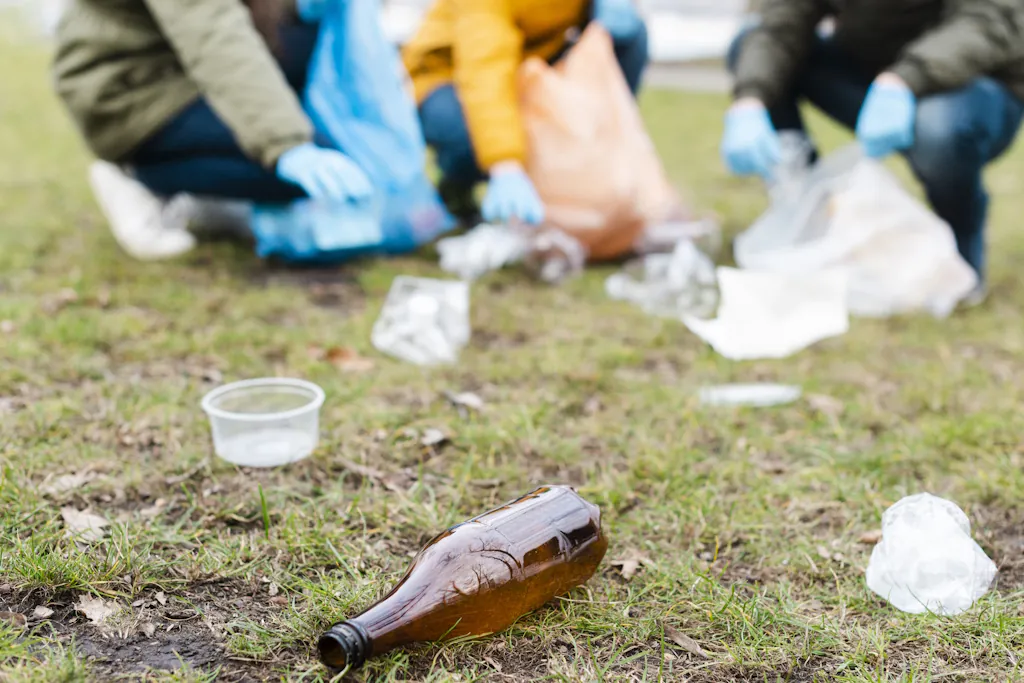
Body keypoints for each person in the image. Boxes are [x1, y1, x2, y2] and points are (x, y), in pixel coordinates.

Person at [722, 0, 1024, 302]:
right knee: (753, 50)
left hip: (974, 82)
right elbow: (783, 21)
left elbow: (988, 22)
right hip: (872, 75)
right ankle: (811, 220)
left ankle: (959, 244)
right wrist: (751, 96)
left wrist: (905, 78)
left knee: (939, 132)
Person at [53, 0, 372, 261]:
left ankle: (210, 187)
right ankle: (136, 174)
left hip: (180, 67)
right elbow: (215, 37)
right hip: (129, 91)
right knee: (292, 176)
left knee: (305, 33)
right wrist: (286, 144)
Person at [403, 0, 649, 227]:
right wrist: (505, 164)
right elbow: (485, 72)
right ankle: (458, 184)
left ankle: (588, 177)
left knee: (630, 37)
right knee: (465, 135)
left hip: (529, 63)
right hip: (448, 75)